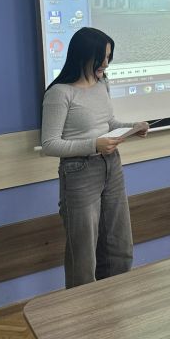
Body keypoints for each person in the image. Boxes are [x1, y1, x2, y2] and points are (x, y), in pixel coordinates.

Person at [41, 27, 148, 288]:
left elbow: (108, 122)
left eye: (109, 57)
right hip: (79, 172)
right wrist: (93, 145)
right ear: (84, 55)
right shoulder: (60, 93)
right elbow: (50, 144)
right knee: (83, 255)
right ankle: (83, 309)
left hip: (111, 165)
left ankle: (115, 301)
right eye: (102, 57)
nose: (106, 63)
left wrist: (132, 127)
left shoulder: (102, 84)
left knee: (119, 246)